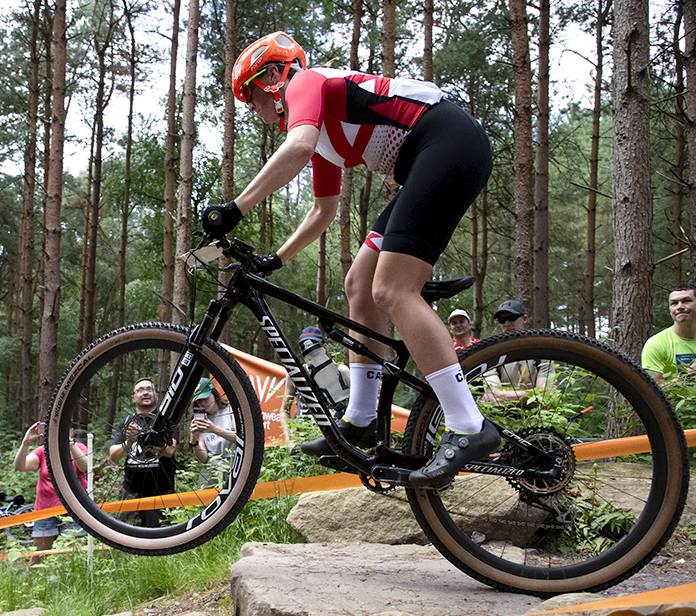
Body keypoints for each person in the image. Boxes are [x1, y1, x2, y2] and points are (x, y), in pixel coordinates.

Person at [203, 31, 499, 488]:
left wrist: (236, 208)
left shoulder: (305, 83)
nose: (254, 112)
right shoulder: (322, 131)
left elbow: (297, 148)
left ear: (272, 78)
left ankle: (468, 425)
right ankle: (360, 416)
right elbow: (324, 211)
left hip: (447, 144)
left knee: (393, 289)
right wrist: (274, 260)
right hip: (434, 154)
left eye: (252, 98)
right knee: (360, 284)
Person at [109, 377, 179, 527]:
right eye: (140, 390)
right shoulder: (126, 422)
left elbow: (170, 450)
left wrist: (146, 440)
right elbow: (113, 455)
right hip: (131, 491)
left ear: (156, 395)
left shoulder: (167, 421)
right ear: (133, 398)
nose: (145, 393)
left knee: (161, 542)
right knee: (127, 540)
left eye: (149, 389)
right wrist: (129, 441)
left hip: (161, 491)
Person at [14, 420, 88, 554]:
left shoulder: (79, 448)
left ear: (70, 431)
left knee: (71, 554)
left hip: (74, 507)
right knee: (39, 555)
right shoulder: (43, 451)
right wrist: (26, 441)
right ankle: (34, 576)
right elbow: (20, 466)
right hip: (46, 508)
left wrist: (70, 443)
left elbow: (86, 467)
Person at [280, 327, 351, 450]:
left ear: (323, 347)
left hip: (337, 440)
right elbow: (283, 410)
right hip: (305, 441)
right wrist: (289, 442)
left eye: (314, 346)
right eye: (304, 347)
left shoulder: (341, 371)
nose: (309, 350)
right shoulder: (295, 375)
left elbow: (357, 406)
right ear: (301, 350)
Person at [483, 300, 553, 403]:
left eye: (512, 318)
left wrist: (503, 395)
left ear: (524, 319)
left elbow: (545, 397)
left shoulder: (542, 352)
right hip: (500, 416)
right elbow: (495, 397)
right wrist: (534, 393)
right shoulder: (492, 353)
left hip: (534, 416)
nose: (507, 324)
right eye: (502, 320)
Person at [641, 284, 696, 383]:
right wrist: (689, 374)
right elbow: (653, 393)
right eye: (674, 303)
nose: (679, 307)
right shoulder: (656, 344)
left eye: (686, 301)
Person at [188, 377, 238, 487]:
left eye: (205, 398)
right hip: (212, 467)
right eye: (199, 401)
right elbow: (203, 459)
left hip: (234, 461)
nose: (203, 403)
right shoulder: (199, 420)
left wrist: (214, 429)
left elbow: (240, 438)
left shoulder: (231, 410)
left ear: (214, 394)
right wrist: (194, 440)